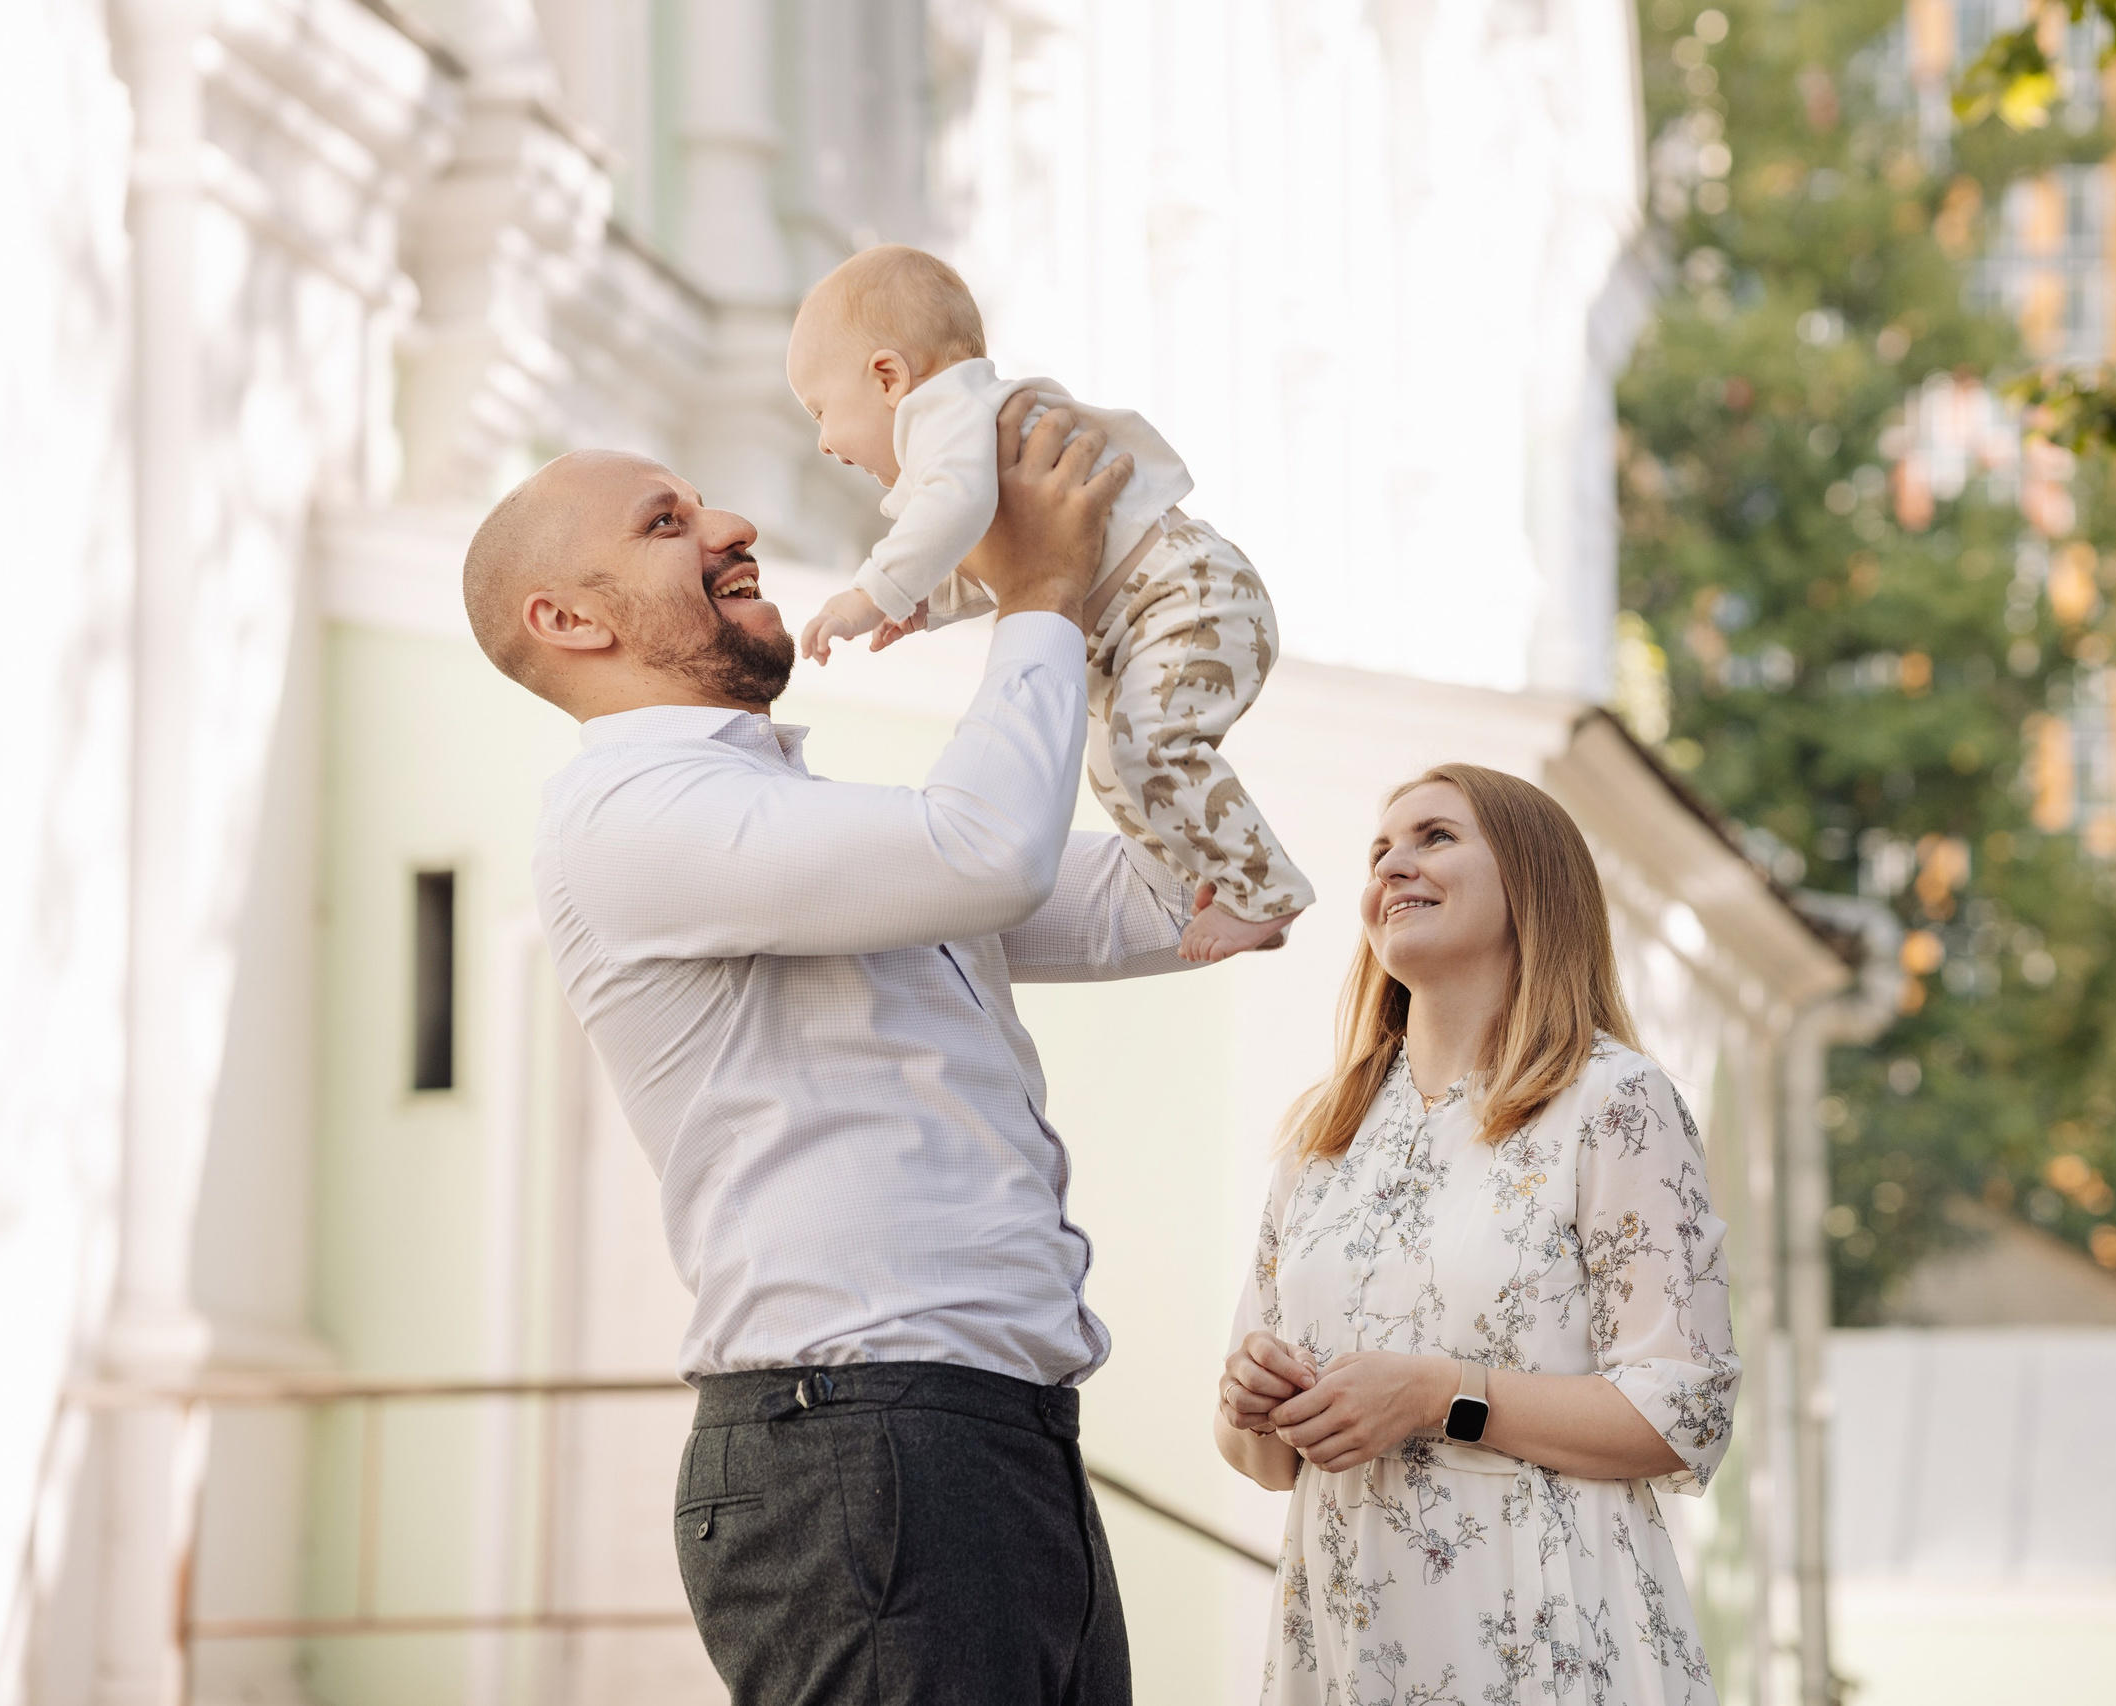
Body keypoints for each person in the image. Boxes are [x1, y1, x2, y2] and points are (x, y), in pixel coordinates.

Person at [460, 400, 1194, 1705]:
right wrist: (1039, 597)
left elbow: (1172, 895)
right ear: (570, 621)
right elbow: (991, 849)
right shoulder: (630, 814)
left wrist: (1160, 613)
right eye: (666, 520)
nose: (736, 524)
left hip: (979, 1434)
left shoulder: (800, 826)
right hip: (865, 1442)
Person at [1214, 764, 1740, 1704]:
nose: (1394, 866)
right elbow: (1261, 1463)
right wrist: (1250, 1402)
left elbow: (1683, 1410)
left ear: (1531, 882)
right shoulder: (1321, 1135)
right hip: (1346, 1640)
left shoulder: (1614, 1102)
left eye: (1435, 837)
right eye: (1381, 852)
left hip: (1551, 1637)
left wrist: (1441, 1395)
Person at [785, 244, 1312, 964]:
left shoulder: (946, 415)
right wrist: (929, 604)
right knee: (1113, 765)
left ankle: (1265, 888)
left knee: (1144, 747)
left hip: (1185, 594)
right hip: (1154, 611)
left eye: (820, 411)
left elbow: (955, 508)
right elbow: (1000, 553)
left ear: (887, 377)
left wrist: (871, 595)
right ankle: (1213, 873)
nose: (822, 442)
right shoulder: (966, 434)